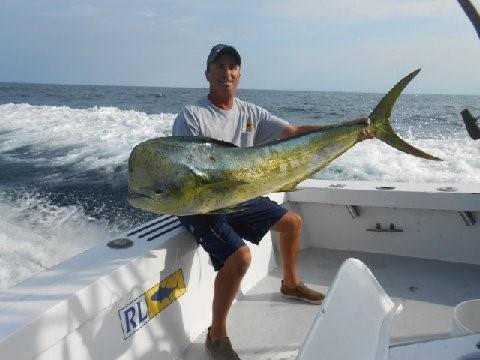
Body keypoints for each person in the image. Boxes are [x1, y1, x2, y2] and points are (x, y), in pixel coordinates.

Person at [172, 44, 372, 359]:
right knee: (240, 258)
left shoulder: (250, 113)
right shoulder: (192, 116)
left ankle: (290, 284)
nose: (227, 72)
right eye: (220, 66)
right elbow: (186, 173)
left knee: (292, 223)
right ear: (207, 73)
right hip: (201, 202)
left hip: (239, 194)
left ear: (239, 74)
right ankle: (216, 335)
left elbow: (292, 132)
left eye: (232, 66)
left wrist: (346, 129)